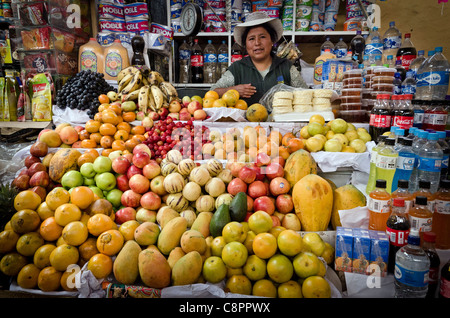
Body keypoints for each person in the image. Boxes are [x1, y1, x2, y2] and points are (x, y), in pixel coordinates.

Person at [211, 12, 308, 107]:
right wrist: (233, 90)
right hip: (247, 122)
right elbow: (212, 92)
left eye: (262, 37)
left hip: (280, 122)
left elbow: (306, 94)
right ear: (246, 45)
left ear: (272, 41)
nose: (257, 43)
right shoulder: (237, 68)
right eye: (251, 39)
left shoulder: (286, 67)